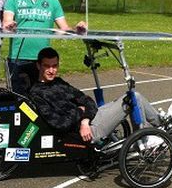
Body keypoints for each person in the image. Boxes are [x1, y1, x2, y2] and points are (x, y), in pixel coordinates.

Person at [29, 47, 163, 144]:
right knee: (132, 99)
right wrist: (80, 113)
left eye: (55, 66)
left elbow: (86, 100)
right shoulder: (37, 93)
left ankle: (162, 124)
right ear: (38, 66)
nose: (52, 70)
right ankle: (146, 138)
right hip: (88, 131)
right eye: (47, 66)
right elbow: (59, 124)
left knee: (134, 95)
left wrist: (84, 119)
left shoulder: (59, 82)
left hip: (90, 120)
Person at [2, 0, 85, 94]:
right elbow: (6, 22)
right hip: (18, 60)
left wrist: (77, 30)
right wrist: (9, 25)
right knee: (20, 103)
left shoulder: (53, 2)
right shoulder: (13, 0)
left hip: (43, 62)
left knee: (43, 100)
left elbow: (64, 29)